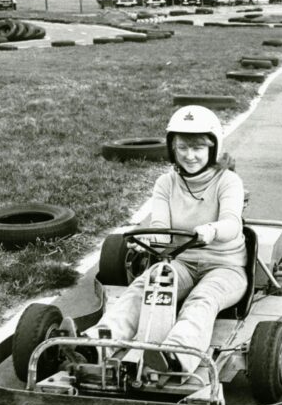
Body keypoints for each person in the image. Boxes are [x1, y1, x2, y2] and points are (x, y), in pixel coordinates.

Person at [85, 105, 247, 375]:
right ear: (173, 148)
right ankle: (95, 345)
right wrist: (147, 240)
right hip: (181, 261)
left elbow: (232, 223)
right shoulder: (165, 183)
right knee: (146, 284)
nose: (190, 156)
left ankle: (176, 356)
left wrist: (212, 230)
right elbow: (160, 228)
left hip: (225, 266)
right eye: (182, 147)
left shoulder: (228, 181)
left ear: (213, 148)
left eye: (197, 148)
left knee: (202, 299)